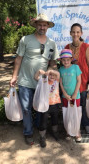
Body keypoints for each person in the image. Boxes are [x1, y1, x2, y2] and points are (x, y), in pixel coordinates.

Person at [10, 13, 59, 145]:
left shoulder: (52, 43)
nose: (42, 27)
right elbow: (18, 59)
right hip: (25, 81)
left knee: (40, 108)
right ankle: (28, 132)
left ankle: (39, 128)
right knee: (26, 108)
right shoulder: (25, 40)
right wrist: (14, 76)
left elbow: (53, 63)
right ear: (36, 25)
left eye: (45, 25)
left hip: (42, 83)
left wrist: (50, 71)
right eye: (40, 24)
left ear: (48, 26)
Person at [65, 23, 89, 134]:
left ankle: (86, 123)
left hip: (83, 80)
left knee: (82, 102)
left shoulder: (86, 47)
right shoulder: (67, 47)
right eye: (73, 32)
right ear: (70, 33)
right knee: (74, 102)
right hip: (71, 81)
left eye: (78, 32)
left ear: (81, 33)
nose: (75, 34)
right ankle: (73, 123)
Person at [59, 49, 82, 142]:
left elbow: (79, 80)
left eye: (68, 59)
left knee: (76, 114)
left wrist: (75, 93)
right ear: (61, 60)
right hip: (66, 97)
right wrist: (64, 93)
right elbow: (60, 83)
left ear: (71, 59)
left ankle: (77, 131)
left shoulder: (76, 67)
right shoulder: (60, 69)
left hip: (75, 96)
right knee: (67, 114)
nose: (66, 62)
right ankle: (68, 131)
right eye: (63, 60)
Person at [34, 68, 61, 148]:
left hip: (55, 104)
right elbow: (36, 77)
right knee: (43, 121)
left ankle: (55, 132)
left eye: (53, 75)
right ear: (47, 75)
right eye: (50, 75)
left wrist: (50, 72)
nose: (52, 76)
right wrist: (39, 72)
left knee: (55, 119)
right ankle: (42, 137)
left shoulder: (56, 81)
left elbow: (58, 74)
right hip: (45, 105)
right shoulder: (44, 81)